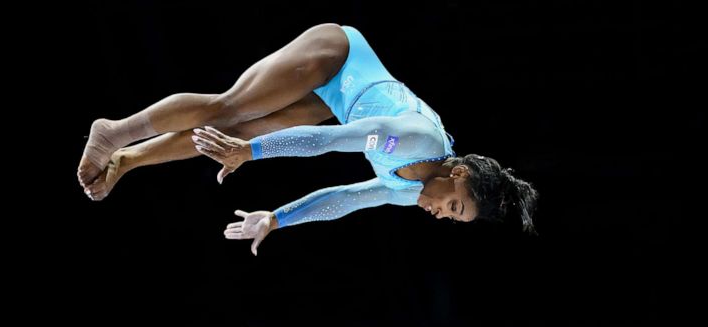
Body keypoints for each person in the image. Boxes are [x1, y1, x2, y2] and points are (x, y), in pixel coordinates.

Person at [78, 24, 537, 255]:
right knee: (231, 109)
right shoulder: (416, 140)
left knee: (235, 132)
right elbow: (330, 143)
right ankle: (115, 131)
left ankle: (130, 159)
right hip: (337, 57)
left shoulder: (407, 191)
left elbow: (344, 200)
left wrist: (275, 220)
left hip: (336, 103)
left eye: (453, 219)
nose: (441, 215)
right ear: (457, 172)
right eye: (454, 207)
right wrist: (251, 154)